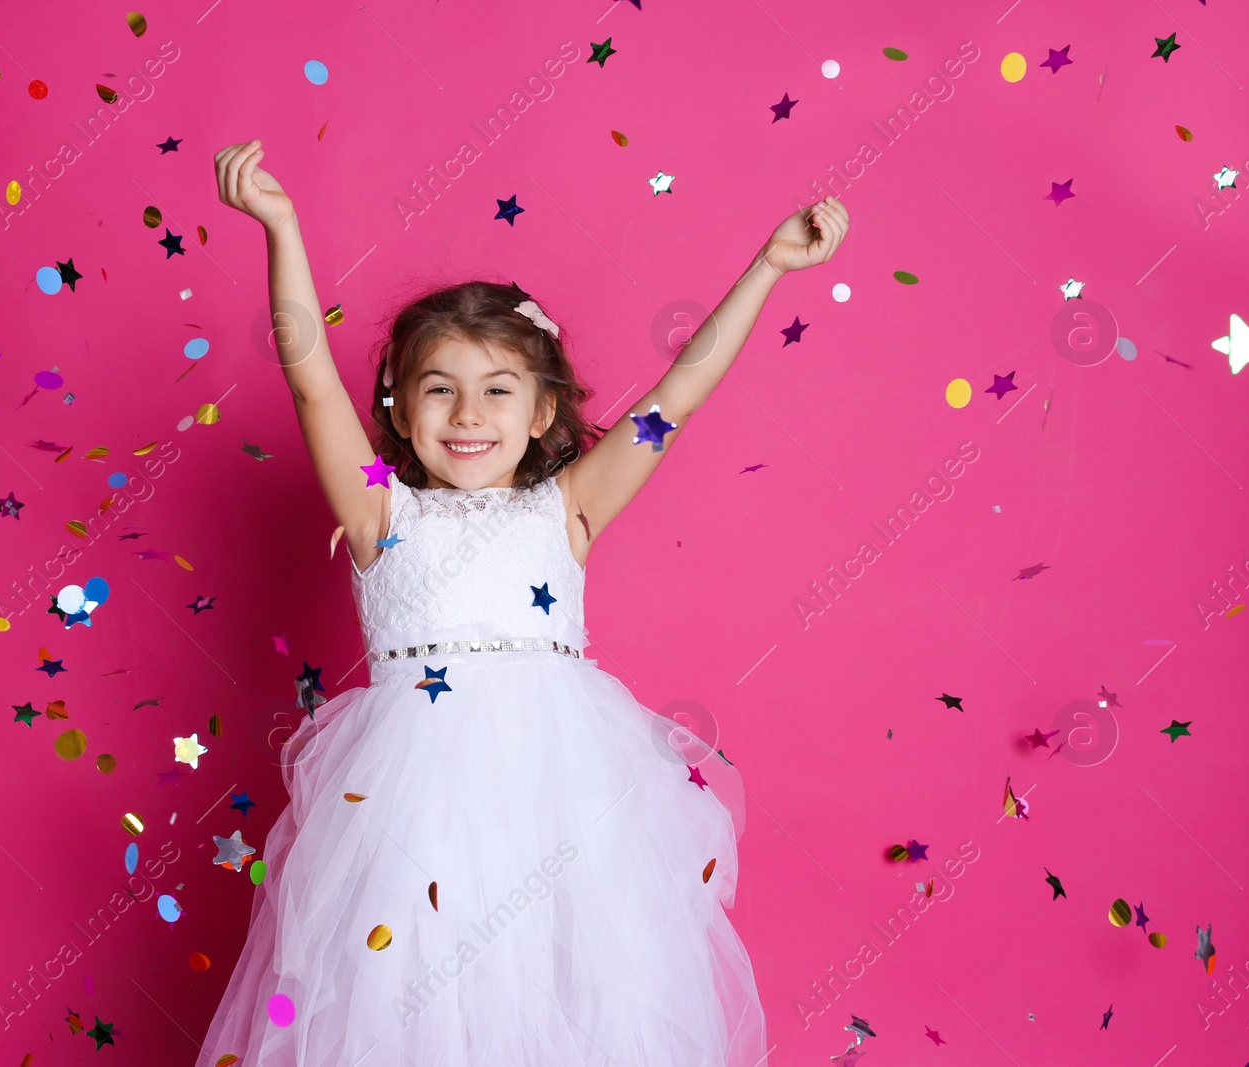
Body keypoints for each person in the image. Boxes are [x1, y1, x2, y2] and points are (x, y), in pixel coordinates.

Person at [198, 137, 850, 1066]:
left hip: (566, 803)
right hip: (410, 813)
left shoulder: (568, 509)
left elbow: (679, 397)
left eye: (498, 391)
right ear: (397, 406)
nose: (469, 416)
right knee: (411, 1004)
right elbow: (308, 383)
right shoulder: (382, 511)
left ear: (542, 411)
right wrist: (281, 227)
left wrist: (769, 265)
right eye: (441, 391)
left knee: (569, 1004)